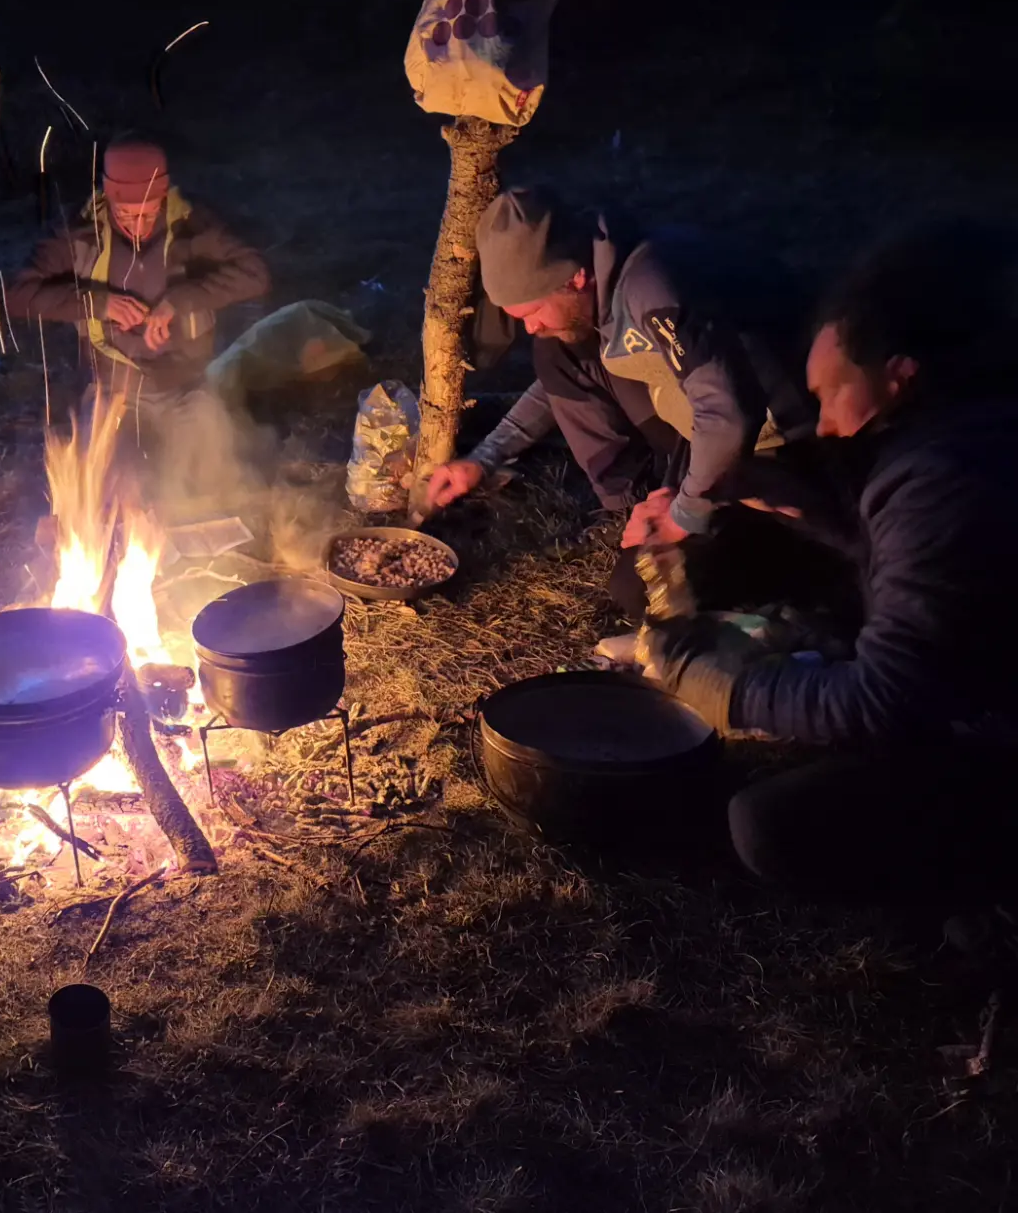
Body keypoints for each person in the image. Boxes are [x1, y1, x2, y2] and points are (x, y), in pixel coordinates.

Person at [641, 217, 1018, 913]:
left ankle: (981, 899)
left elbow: (887, 699)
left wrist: (731, 690)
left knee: (768, 825)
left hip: (994, 732)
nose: (823, 422)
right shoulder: (964, 426)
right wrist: (797, 506)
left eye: (827, 397)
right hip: (978, 675)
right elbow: (915, 565)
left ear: (900, 375)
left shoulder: (943, 476)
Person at [426, 186, 825, 617]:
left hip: (777, 438)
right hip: (699, 424)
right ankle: (643, 498)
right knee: (554, 347)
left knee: (643, 593)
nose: (528, 326)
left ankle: (797, 556)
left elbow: (729, 414)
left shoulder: (651, 285)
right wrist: (485, 458)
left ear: (573, 277)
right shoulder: (596, 284)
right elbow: (556, 384)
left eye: (531, 311)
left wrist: (683, 514)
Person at [6, 135, 270, 426]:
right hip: (113, 390)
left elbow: (255, 273)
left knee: (204, 456)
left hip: (185, 386)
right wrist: (98, 304)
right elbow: (17, 295)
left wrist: (181, 299)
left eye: (148, 213)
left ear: (163, 196)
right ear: (108, 198)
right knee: (111, 468)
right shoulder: (80, 234)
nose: (138, 227)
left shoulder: (190, 225)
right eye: (126, 215)